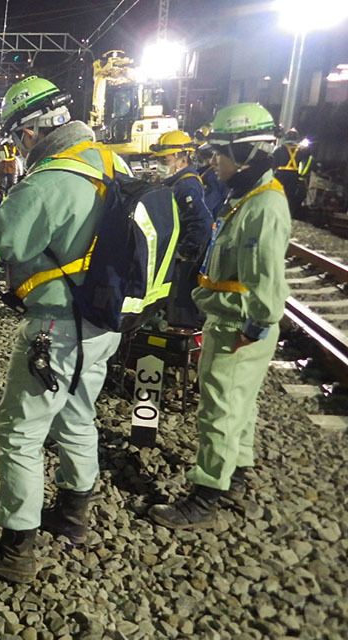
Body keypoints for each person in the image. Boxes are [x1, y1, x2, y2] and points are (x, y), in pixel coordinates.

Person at [0, 76, 131, 583]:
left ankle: (15, 549)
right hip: (104, 322)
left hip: (57, 325)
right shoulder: (112, 163)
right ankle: (73, 517)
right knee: (77, 414)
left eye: (16, 137)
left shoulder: (48, 180)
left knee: (20, 432)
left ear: (30, 132)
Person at [148, 103, 290, 529]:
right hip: (235, 322)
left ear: (246, 155)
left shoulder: (262, 207)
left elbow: (266, 279)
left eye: (221, 154)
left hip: (238, 325)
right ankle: (235, 476)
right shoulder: (251, 198)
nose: (214, 162)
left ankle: (205, 496)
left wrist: (255, 326)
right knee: (239, 408)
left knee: (219, 411)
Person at [149, 130, 212, 329]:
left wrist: (184, 252)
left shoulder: (187, 187)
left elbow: (202, 222)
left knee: (179, 305)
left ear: (181, 159)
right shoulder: (176, 183)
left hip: (183, 262)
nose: (160, 165)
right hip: (176, 257)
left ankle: (182, 344)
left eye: (164, 161)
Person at [272, 128, 312, 218]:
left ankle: (276, 212)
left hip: (280, 175)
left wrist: (271, 175)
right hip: (294, 176)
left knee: (277, 194)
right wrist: (303, 175)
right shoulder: (301, 151)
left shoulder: (279, 149)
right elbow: (308, 162)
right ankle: (287, 215)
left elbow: (273, 164)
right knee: (290, 196)